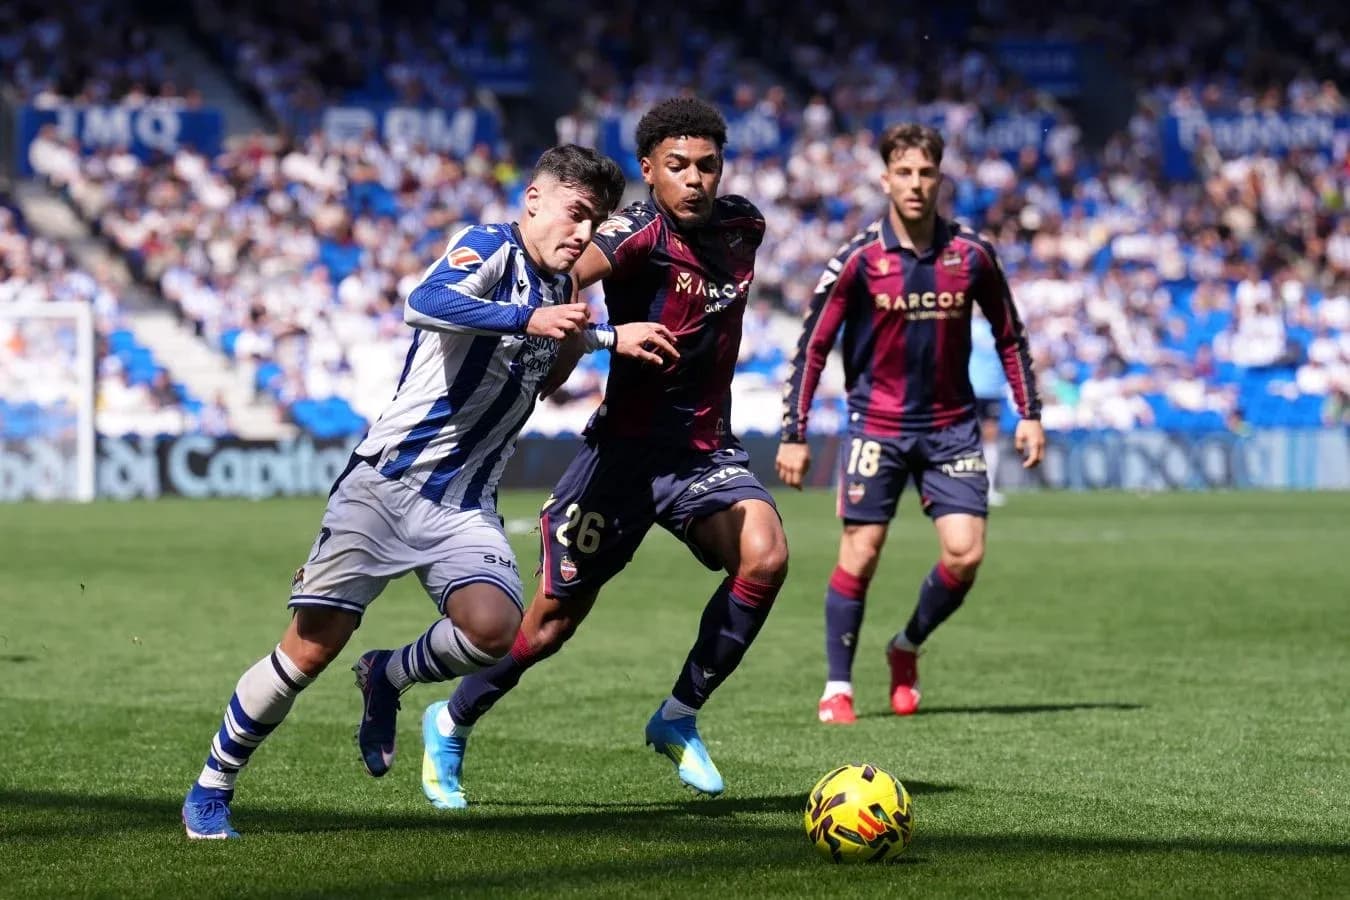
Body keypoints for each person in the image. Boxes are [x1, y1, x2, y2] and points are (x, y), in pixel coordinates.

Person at [180, 145, 677, 839]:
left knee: (495, 629)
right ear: (532, 199)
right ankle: (211, 786)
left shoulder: (562, 290)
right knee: (310, 649)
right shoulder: (488, 247)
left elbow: (545, 379)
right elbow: (425, 301)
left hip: (464, 503)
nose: (581, 234)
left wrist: (592, 340)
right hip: (386, 485)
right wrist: (543, 324)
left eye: (593, 223)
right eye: (574, 213)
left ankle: (387, 674)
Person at [386, 96, 790, 810]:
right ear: (648, 171)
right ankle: (449, 720)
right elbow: (566, 276)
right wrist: (581, 346)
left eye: (707, 165)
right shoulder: (635, 231)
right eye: (677, 167)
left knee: (765, 556)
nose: (694, 179)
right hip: (622, 456)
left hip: (703, 451)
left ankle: (678, 715)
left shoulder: (744, 226)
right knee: (548, 625)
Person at [775, 123, 1045, 725]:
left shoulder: (971, 255)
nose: (916, 183)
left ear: (940, 177)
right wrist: (794, 432)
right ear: (886, 178)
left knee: (965, 555)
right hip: (878, 426)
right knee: (861, 552)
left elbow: (1010, 335)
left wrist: (1029, 414)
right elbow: (813, 345)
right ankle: (838, 685)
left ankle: (906, 646)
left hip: (952, 429)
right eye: (904, 172)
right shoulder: (859, 259)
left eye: (926, 172)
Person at [969, 317, 1009, 506]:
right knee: (966, 437)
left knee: (990, 439)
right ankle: (968, 486)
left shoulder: (999, 326)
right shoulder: (968, 325)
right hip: (969, 388)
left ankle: (989, 487)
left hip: (992, 390)